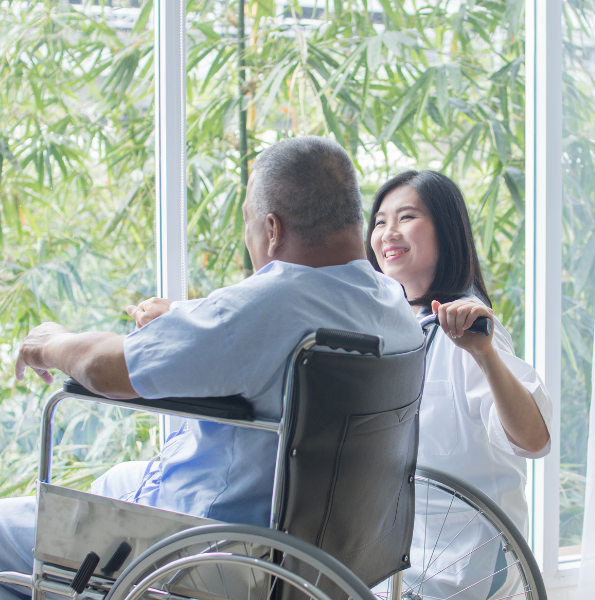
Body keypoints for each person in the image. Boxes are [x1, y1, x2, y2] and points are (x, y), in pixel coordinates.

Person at [2, 136, 423, 600]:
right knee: (115, 479)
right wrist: (184, 320)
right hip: (326, 550)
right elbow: (252, 331)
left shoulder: (272, 305)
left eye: (246, 221)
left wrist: (50, 342)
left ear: (272, 228)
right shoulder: (393, 305)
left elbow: (102, 369)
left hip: (210, 550)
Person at [367, 170, 552, 597]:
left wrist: (483, 354)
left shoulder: (472, 333)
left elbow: (533, 439)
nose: (388, 232)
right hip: (395, 560)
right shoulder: (388, 328)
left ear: (446, 232)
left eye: (406, 217)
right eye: (379, 221)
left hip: (465, 568)